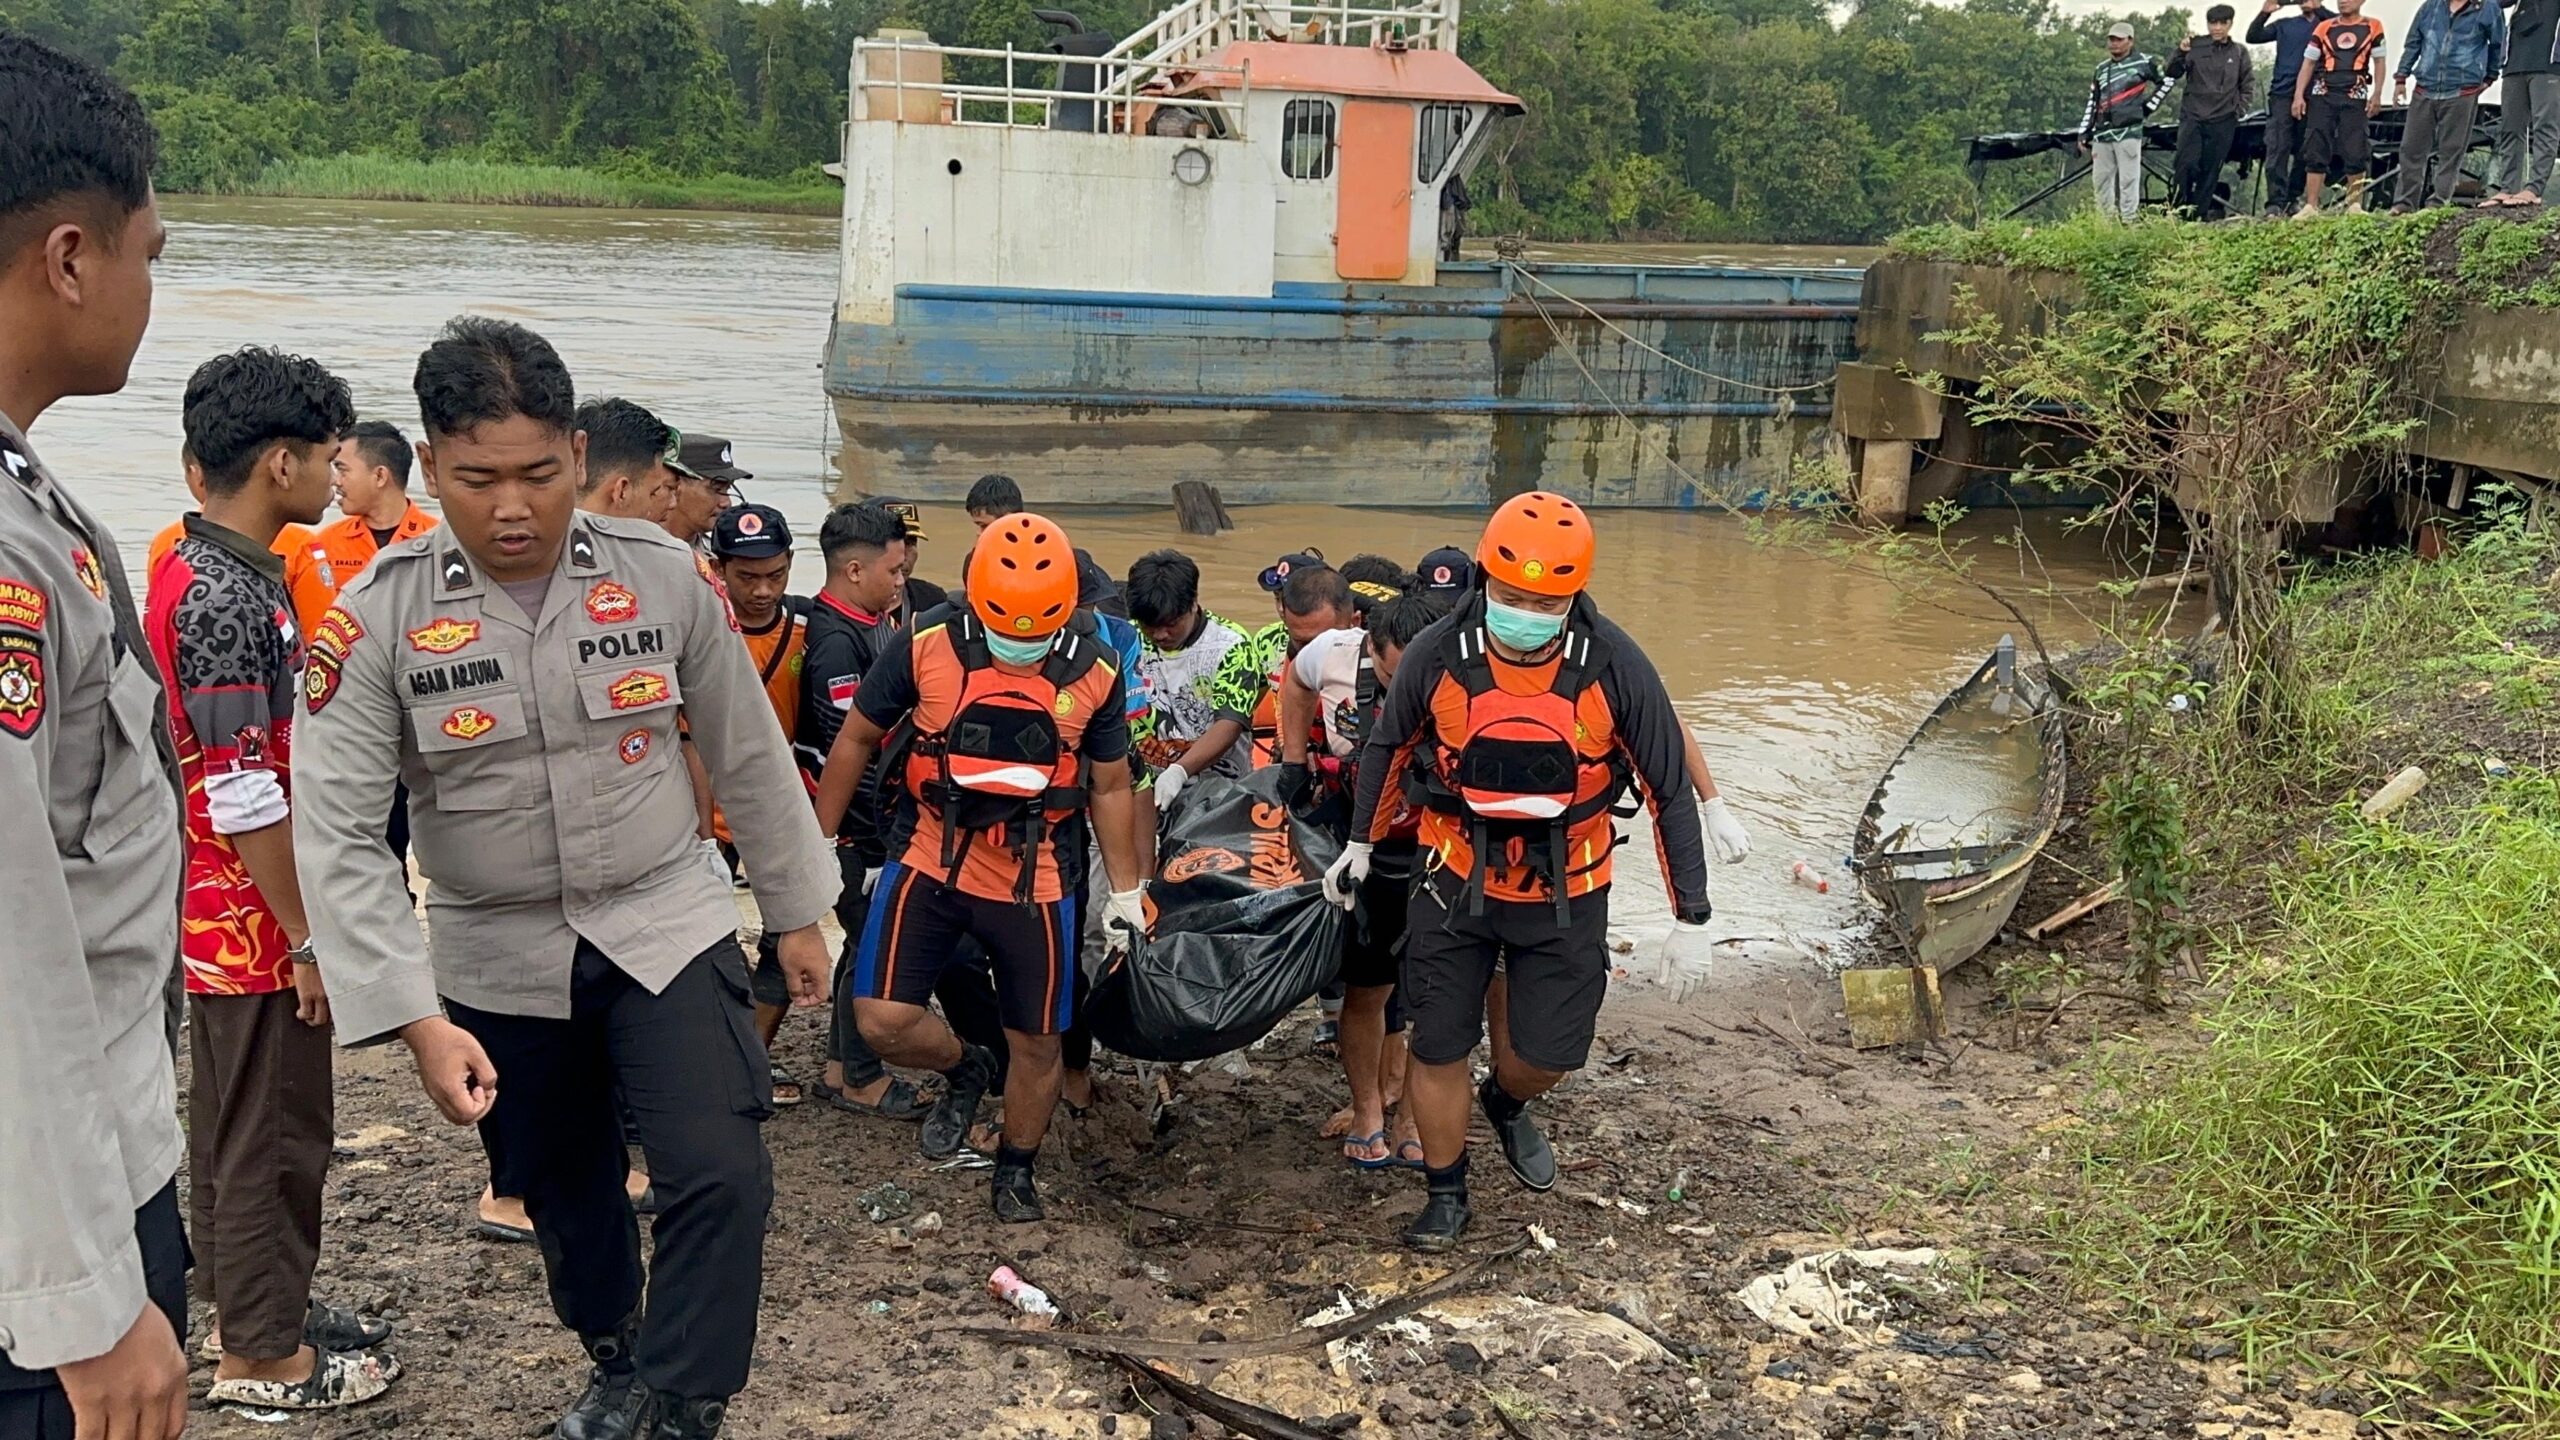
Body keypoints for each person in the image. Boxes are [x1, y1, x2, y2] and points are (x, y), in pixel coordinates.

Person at [293, 316, 840, 1440]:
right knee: (567, 1190)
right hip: (496, 949)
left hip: (663, 913)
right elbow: (342, 835)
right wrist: (410, 1018)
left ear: (579, 460)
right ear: (431, 469)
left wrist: (796, 910)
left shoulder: (659, 578)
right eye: (479, 478)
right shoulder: (374, 620)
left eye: (540, 475)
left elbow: (745, 745)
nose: (512, 508)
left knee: (718, 1168)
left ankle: (685, 1402)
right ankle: (616, 1357)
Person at [1330, 491, 1717, 1252]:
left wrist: (1691, 916)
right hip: (1451, 876)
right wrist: (1361, 844)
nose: (1525, 612)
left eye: (1545, 601)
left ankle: (1505, 1101)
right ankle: (1447, 1192)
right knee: (1437, 1044)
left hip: (1568, 887)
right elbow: (1390, 749)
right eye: (1510, 596)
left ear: (1575, 593)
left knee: (1550, 1053)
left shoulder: (1615, 665)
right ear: (1482, 579)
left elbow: (1666, 784)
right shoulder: (1440, 654)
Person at [146, 346, 401, 1411]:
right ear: (283, 463)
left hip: (219, 907)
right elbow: (241, 790)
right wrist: (307, 937)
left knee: (234, 1122)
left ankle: (251, 1309)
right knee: (276, 1133)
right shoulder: (222, 600)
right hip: (247, 918)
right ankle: (261, 1356)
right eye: (329, 455)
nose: (337, 475)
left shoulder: (213, 569)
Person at [0, 37, 190, 1440]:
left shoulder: (35, 501)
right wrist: (83, 1301)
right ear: (70, 258)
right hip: (44, 1240)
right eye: (148, 253)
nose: (145, 288)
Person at [810, 512, 1146, 1223]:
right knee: (881, 1019)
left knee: (1039, 1039)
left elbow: (1112, 785)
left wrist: (1127, 891)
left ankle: (1016, 1165)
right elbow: (858, 738)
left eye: (1035, 632)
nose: (1018, 644)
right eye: (1005, 629)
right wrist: (819, 844)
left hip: (1038, 875)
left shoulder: (1098, 668)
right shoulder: (925, 641)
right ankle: (965, 1065)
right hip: (931, 855)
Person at [1283, 589, 1446, 1170]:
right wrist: (1293, 756)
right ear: (1366, 643)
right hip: (1360, 844)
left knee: (1432, 991)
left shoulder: (1463, 666)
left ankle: (1410, 1115)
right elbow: (1295, 684)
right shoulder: (1330, 653)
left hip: (1435, 847)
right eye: (1388, 673)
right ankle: (1368, 1107)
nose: (1403, 691)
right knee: (1368, 986)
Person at [794, 502, 935, 1123]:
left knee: (859, 946)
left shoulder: (874, 620)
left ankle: (838, 1066)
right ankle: (860, 1076)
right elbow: (848, 750)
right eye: (894, 571)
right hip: (857, 829)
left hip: (869, 824)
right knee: (870, 946)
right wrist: (882, 841)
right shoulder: (833, 642)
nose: (903, 582)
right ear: (854, 570)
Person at [702, 502, 820, 1098]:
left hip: (778, 812)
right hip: (710, 819)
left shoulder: (806, 631)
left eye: (775, 575)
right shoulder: (700, 629)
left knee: (784, 940)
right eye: (746, 577)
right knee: (705, 947)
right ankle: (709, 1056)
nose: (762, 590)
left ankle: (750, 1058)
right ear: (717, 569)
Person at [297, 418, 437, 636]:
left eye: (342, 470)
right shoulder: (324, 545)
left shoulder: (438, 543)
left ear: (380, 476)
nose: (335, 481)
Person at [1125, 548, 1251, 783]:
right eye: (1149, 626)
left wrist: (1179, 772)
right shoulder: (1127, 639)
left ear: (1193, 604)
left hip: (1219, 783)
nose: (1160, 635)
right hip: (1144, 779)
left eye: (1171, 624)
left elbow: (1231, 722)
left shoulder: (1231, 645)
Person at [2392, 0, 2507, 210]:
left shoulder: (2488, 7)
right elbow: (2414, 41)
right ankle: (2403, 204)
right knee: (2411, 149)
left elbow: (2498, 44)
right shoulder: (2431, 6)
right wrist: (2401, 76)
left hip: (2463, 89)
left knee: (2451, 151)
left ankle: (2437, 204)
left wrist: (2490, 77)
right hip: (2425, 86)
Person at [2296, 0, 2389, 214]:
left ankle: (2354, 203)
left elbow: (2380, 62)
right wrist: (2298, 95)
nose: (2342, 2)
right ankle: (2311, 205)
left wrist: (2377, 93)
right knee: (2316, 143)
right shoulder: (2324, 26)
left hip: (2355, 90)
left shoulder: (2373, 26)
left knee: (2355, 145)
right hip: (2323, 89)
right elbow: (2308, 62)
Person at [2250, 0, 2339, 213]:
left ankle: (2292, 197)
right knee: (2277, 148)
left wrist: (2317, 8)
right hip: (2282, 94)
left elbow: (2340, 30)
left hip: (2315, 95)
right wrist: (2264, 13)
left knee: (2307, 150)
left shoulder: (2327, 23)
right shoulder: (2285, 24)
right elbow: (2253, 36)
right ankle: (2275, 202)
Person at [2079, 23, 2174, 221]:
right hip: (2102, 132)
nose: (2114, 44)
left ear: (2130, 41)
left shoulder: (2145, 62)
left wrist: (2147, 107)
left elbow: (2166, 82)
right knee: (2101, 180)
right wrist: (2084, 131)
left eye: (2119, 39)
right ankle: (2107, 224)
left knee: (2128, 179)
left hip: (2129, 130)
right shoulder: (2101, 69)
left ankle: (2129, 222)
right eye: (2111, 39)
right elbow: (2093, 100)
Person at [2170, 8, 2254, 216]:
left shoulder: (2239, 52)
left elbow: (2247, 84)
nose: (2217, 28)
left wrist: (2239, 109)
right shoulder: (2195, 46)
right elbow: (2171, 72)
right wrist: (2180, 51)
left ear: (2230, 24)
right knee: (2185, 165)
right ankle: (2178, 213)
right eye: (2213, 23)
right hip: (2193, 116)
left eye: (2222, 23)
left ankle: (2198, 217)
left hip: (2223, 119)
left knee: (2211, 171)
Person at [2491, 0, 2560, 204]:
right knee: (2510, 127)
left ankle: (2534, 188)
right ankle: (2508, 187)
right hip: (2514, 62)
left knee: (2545, 127)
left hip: (2549, 63)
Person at [575, 398, 680, 525]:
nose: (649, 509)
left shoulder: (549, 537)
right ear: (622, 492)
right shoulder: (644, 543)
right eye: (652, 493)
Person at [663, 432, 746, 549]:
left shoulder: (719, 556)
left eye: (727, 489)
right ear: (675, 486)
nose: (726, 503)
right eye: (716, 489)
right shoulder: (634, 552)